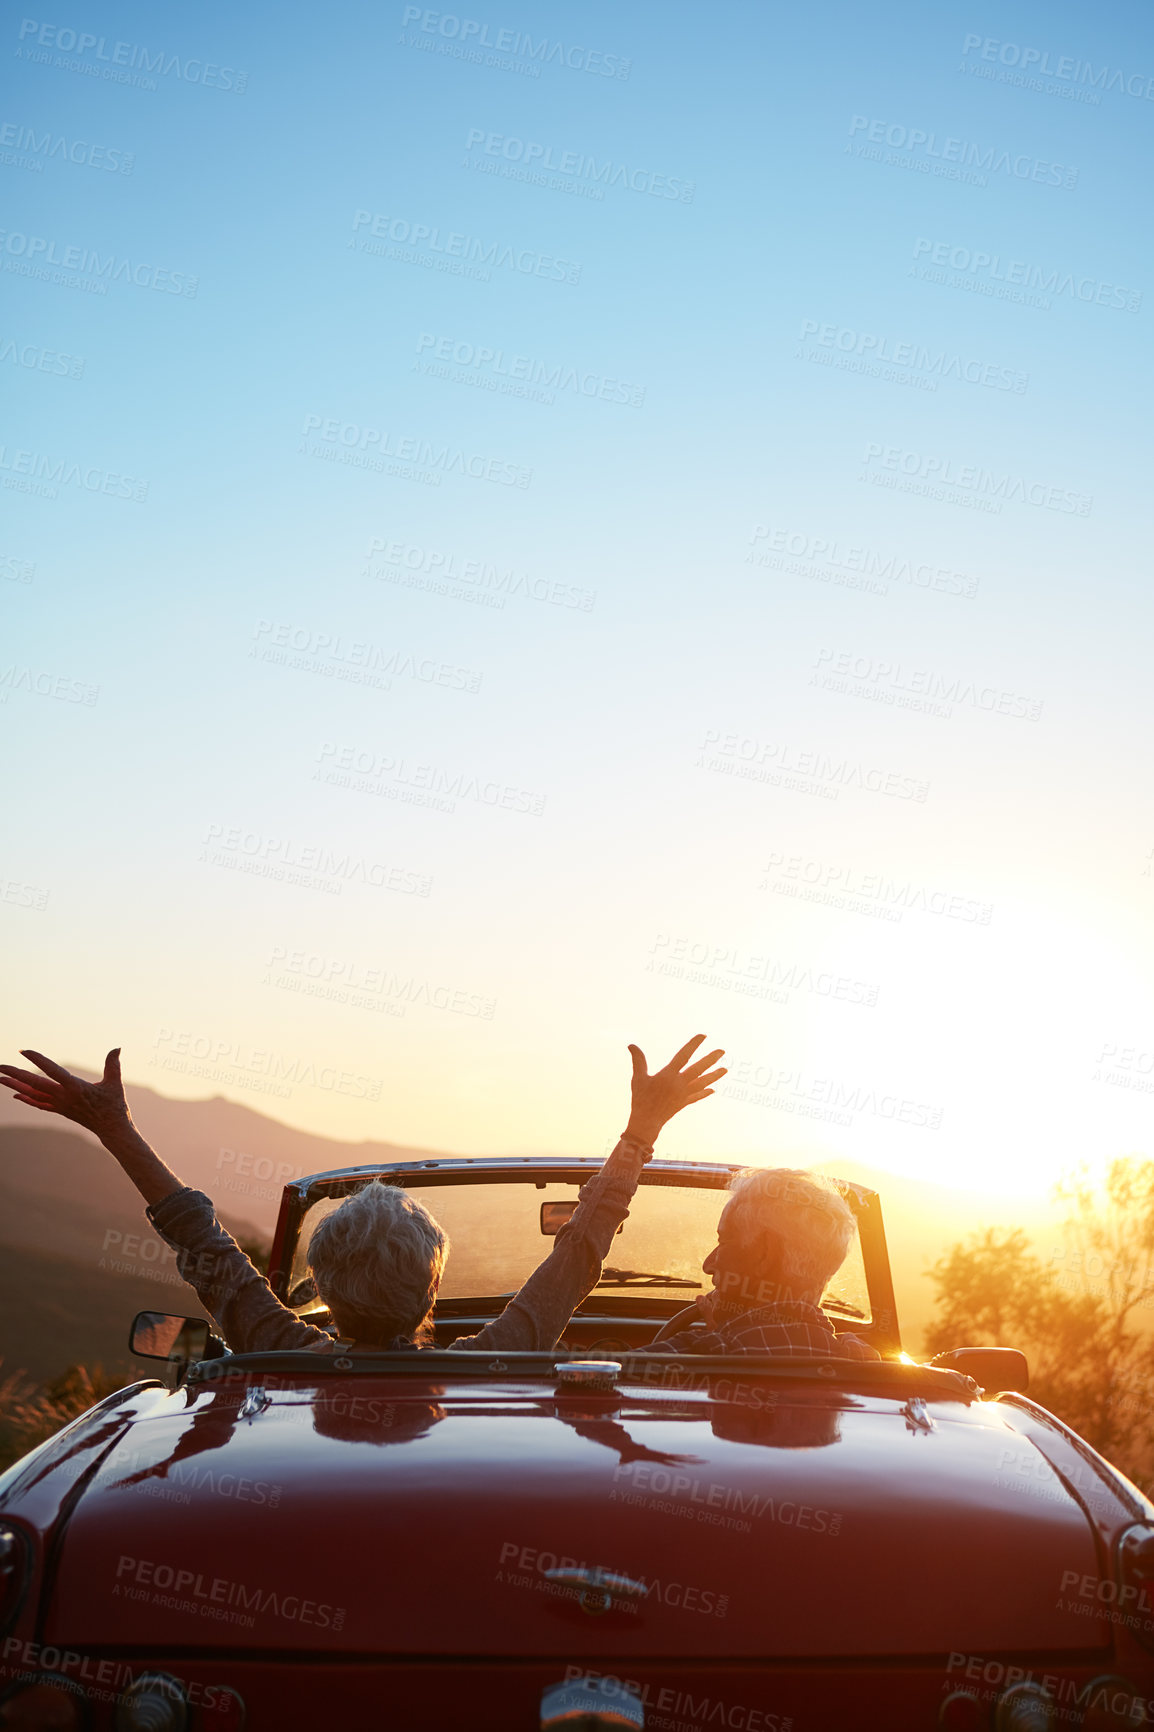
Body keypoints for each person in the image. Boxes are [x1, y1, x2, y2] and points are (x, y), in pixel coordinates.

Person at [0, 1037, 725, 1355]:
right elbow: (582, 1250)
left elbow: (197, 1236)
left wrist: (114, 1127)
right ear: (433, 1284)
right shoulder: (500, 1356)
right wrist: (640, 1130)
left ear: (324, 1286)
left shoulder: (276, 1344)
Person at [648, 1167, 879, 1359]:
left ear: (764, 1255)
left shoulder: (683, 1355)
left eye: (724, 1241)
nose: (708, 1265)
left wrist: (718, 1338)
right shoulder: (862, 1361)